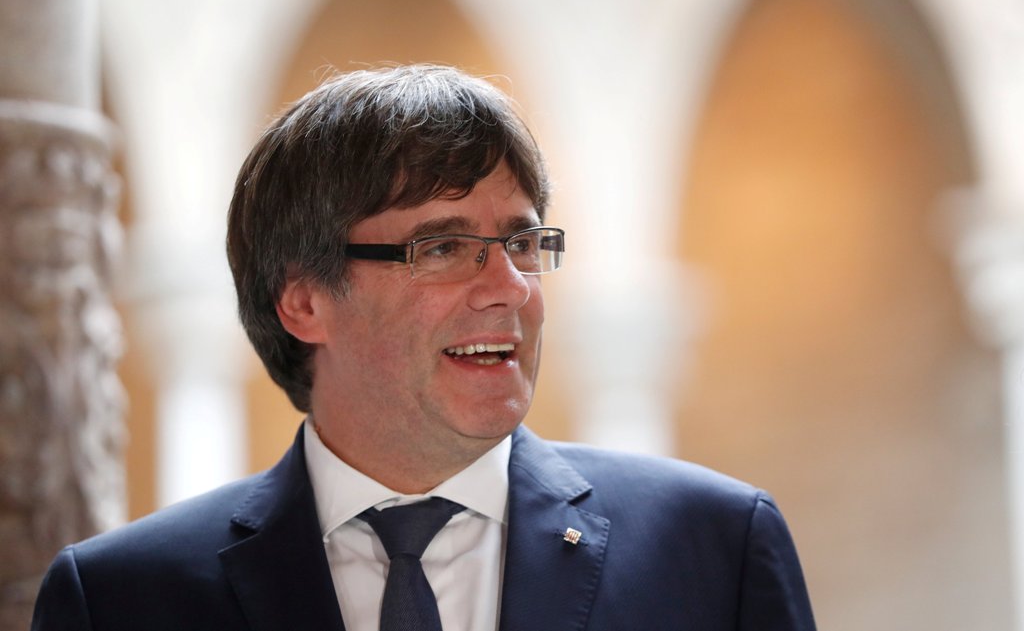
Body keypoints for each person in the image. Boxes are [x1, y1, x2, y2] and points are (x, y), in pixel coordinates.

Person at [31, 64, 816, 631]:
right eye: (441, 248)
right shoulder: (121, 600)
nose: (508, 287)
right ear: (304, 299)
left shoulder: (715, 548)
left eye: (520, 242)